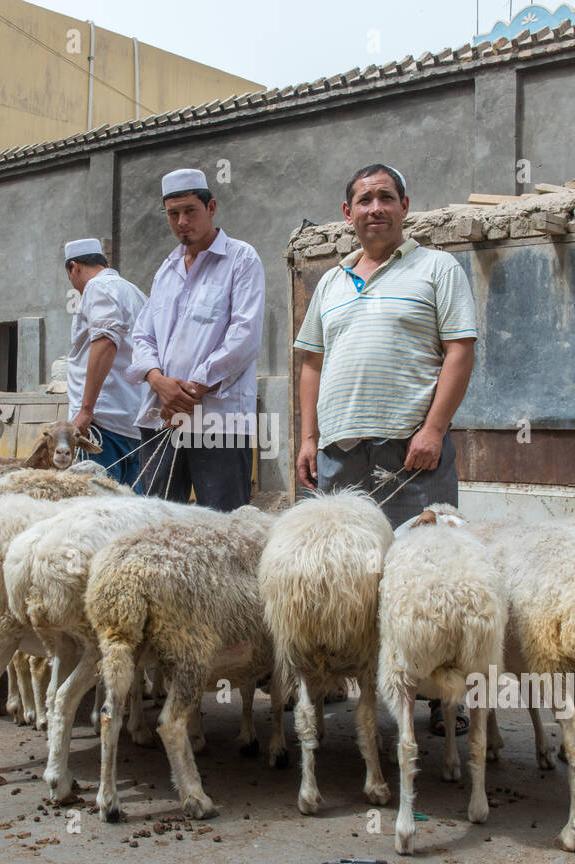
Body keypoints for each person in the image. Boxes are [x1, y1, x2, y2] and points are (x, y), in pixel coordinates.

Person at [293, 163, 477, 738]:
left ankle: (445, 696)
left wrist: (435, 429)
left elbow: (460, 349)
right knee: (347, 575)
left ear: (405, 206)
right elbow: (312, 363)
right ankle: (357, 685)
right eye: (364, 200)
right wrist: (306, 437)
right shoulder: (330, 282)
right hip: (340, 453)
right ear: (347, 214)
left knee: (425, 573)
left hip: (410, 452)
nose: (376, 208)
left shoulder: (437, 268)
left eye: (386, 198)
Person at [127, 168, 264, 510]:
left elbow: (244, 335)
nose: (182, 221)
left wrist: (189, 391)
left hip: (218, 418)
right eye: (173, 214)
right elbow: (142, 335)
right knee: (159, 523)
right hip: (161, 416)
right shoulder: (167, 269)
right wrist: (158, 382)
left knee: (223, 524)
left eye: (190, 211)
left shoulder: (241, 259)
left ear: (211, 207)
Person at [63, 238, 149, 488]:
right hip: (134, 422)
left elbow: (105, 341)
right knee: (132, 513)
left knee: (96, 509)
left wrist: (86, 410)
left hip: (102, 425)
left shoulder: (96, 288)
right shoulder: (134, 292)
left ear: (75, 267)